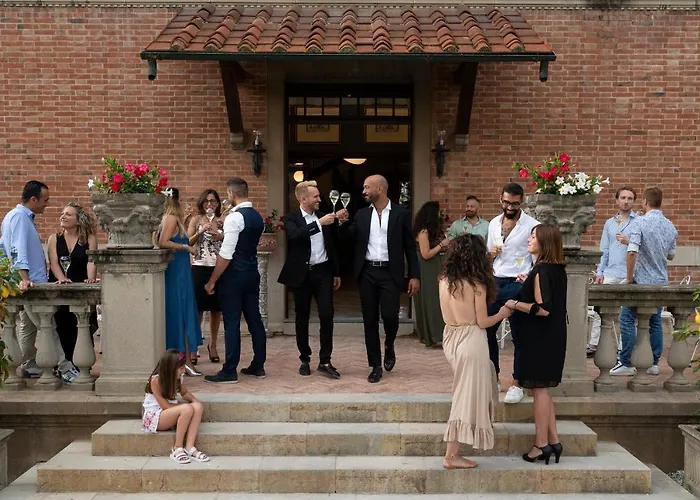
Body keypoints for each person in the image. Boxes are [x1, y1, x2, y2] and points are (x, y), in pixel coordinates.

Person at [336, 175, 420, 384]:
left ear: (380, 189)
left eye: (367, 187)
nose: (363, 191)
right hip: (367, 272)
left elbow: (410, 247)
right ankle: (375, 365)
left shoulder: (400, 213)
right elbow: (347, 239)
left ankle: (389, 344)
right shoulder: (362, 214)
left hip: (390, 273)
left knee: (390, 316)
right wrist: (342, 223)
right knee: (370, 320)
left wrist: (414, 275)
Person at [439, 234, 513, 469]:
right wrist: (502, 313)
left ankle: (456, 450)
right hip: (471, 338)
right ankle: (451, 455)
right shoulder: (475, 285)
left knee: (473, 384)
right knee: (464, 396)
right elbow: (482, 322)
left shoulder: (444, 280)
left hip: (450, 337)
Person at [505, 224, 567, 465]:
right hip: (553, 336)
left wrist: (514, 304)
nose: (529, 239)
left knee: (539, 390)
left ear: (544, 242)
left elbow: (543, 309)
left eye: (533, 236)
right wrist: (528, 282)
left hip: (540, 338)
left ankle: (540, 444)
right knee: (544, 390)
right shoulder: (557, 269)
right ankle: (554, 440)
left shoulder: (541, 270)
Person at [204, 177, 267, 384]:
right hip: (252, 272)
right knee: (254, 319)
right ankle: (258, 365)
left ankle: (229, 370)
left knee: (231, 322)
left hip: (233, 276)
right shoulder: (257, 217)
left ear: (231, 193)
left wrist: (212, 280)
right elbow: (244, 242)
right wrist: (222, 235)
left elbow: (227, 254)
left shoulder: (234, 217)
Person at [278, 180, 342, 378]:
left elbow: (333, 245)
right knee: (302, 316)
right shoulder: (291, 218)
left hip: (323, 272)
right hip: (302, 274)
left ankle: (325, 360)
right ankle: (304, 358)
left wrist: (336, 272)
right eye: (316, 196)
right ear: (303, 199)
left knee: (327, 314)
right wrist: (319, 224)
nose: (319, 199)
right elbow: (295, 236)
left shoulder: (324, 216)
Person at [486, 183, 539, 403]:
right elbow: (488, 258)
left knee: (520, 335)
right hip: (495, 281)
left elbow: (537, 259)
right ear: (501, 199)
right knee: (487, 330)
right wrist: (491, 254)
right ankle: (494, 377)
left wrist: (530, 278)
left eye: (515, 203)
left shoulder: (532, 225)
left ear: (522, 202)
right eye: (507, 202)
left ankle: (517, 383)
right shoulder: (493, 223)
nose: (510, 207)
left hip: (518, 283)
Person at [621, 186, 677, 376]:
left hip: (640, 281)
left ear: (645, 201)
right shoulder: (670, 226)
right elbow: (671, 255)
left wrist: (629, 278)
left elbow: (632, 252)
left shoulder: (640, 222)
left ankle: (626, 362)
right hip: (660, 280)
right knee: (655, 321)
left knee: (626, 318)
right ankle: (653, 363)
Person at [0, 180, 50, 379]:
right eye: (45, 200)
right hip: (31, 283)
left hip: (26, 280)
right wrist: (24, 278)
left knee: (27, 327)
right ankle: (65, 367)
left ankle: (29, 363)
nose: (47, 204)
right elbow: (17, 250)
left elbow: (3, 250)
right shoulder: (20, 217)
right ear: (33, 199)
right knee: (46, 325)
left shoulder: (12, 216)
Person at [47, 203, 99, 383]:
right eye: (62, 213)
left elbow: (91, 260)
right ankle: (65, 367)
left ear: (78, 220)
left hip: (80, 288)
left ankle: (81, 366)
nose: (63, 216)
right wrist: (62, 278)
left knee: (82, 326)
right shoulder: (54, 238)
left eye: (68, 214)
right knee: (62, 326)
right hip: (60, 288)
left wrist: (91, 278)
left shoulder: (89, 238)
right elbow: (53, 262)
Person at [157, 187, 203, 377]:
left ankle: (185, 360)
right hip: (176, 272)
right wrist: (186, 247)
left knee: (185, 314)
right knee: (180, 314)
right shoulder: (170, 218)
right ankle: (183, 361)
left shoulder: (175, 219)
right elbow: (164, 241)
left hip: (182, 270)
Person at [590, 186, 637, 358]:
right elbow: (604, 250)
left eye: (630, 198)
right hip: (610, 272)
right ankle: (594, 344)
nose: (626, 201)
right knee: (600, 311)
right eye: (623, 198)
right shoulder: (609, 223)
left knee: (627, 315)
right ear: (617, 200)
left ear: (634, 201)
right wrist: (600, 271)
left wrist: (628, 241)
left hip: (629, 274)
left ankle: (624, 349)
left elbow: (643, 248)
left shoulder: (638, 222)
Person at [142, 349, 209, 464]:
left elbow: (185, 393)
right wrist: (185, 407)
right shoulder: (156, 380)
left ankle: (189, 447)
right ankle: (177, 447)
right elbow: (165, 406)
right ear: (170, 369)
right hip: (155, 416)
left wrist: (196, 403)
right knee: (187, 409)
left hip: (170, 412)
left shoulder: (178, 378)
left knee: (197, 407)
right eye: (181, 368)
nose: (183, 371)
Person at [187, 189, 225, 364]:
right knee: (198, 308)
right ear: (202, 203)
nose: (209, 204)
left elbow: (229, 241)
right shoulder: (196, 220)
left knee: (216, 309)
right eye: (206, 201)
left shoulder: (222, 220)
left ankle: (213, 345)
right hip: (199, 266)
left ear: (217, 203)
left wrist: (220, 234)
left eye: (213, 201)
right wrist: (201, 231)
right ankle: (194, 347)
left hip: (217, 267)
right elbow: (188, 242)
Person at [413, 201, 449, 348]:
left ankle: (435, 334)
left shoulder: (430, 231)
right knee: (430, 300)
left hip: (433, 267)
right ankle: (431, 335)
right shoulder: (423, 232)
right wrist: (442, 244)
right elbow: (426, 254)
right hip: (426, 269)